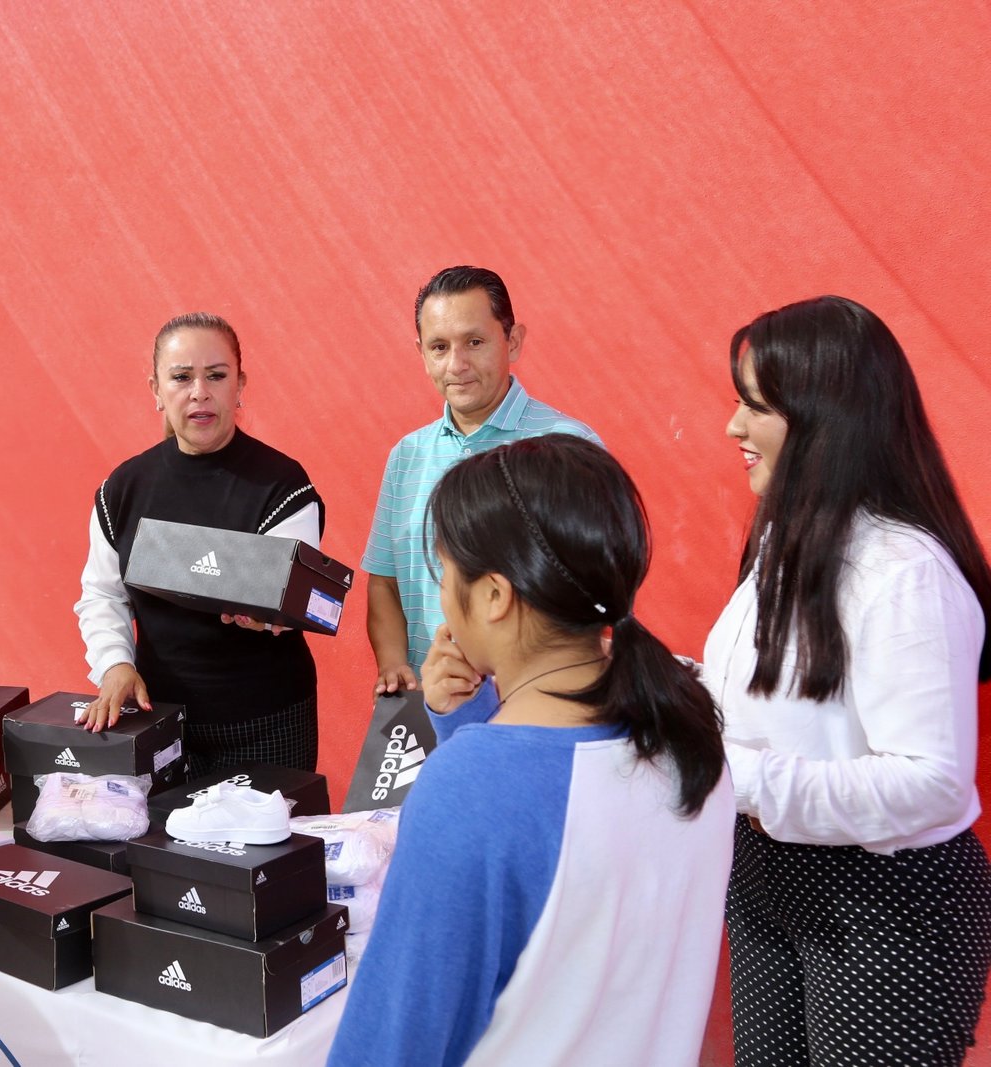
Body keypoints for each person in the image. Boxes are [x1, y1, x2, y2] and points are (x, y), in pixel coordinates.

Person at [330, 434, 733, 1066]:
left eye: (445, 573)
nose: (443, 599)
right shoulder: (688, 729)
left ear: (494, 596)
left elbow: (391, 1044)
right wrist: (469, 721)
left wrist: (470, 746)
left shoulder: (475, 786)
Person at [705, 295, 991, 1066]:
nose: (732, 426)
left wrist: (740, 777)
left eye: (755, 406)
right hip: (768, 877)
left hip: (885, 906)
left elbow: (932, 782)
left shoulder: (904, 572)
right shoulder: (783, 542)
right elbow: (767, 705)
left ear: (824, 419)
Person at [74, 312, 324, 778]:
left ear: (240, 385)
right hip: (158, 720)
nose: (199, 392)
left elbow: (293, 595)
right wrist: (114, 665)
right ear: (156, 390)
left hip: (268, 722)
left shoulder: (283, 485)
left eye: (216, 376)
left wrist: (272, 614)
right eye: (181, 377)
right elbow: (102, 594)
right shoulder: (122, 489)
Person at [363, 265, 599, 695]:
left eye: (474, 342)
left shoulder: (568, 448)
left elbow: (596, 588)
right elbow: (385, 581)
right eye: (439, 347)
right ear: (421, 353)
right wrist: (395, 665)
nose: (457, 365)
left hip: (533, 703)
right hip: (426, 702)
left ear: (513, 340)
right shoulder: (407, 456)